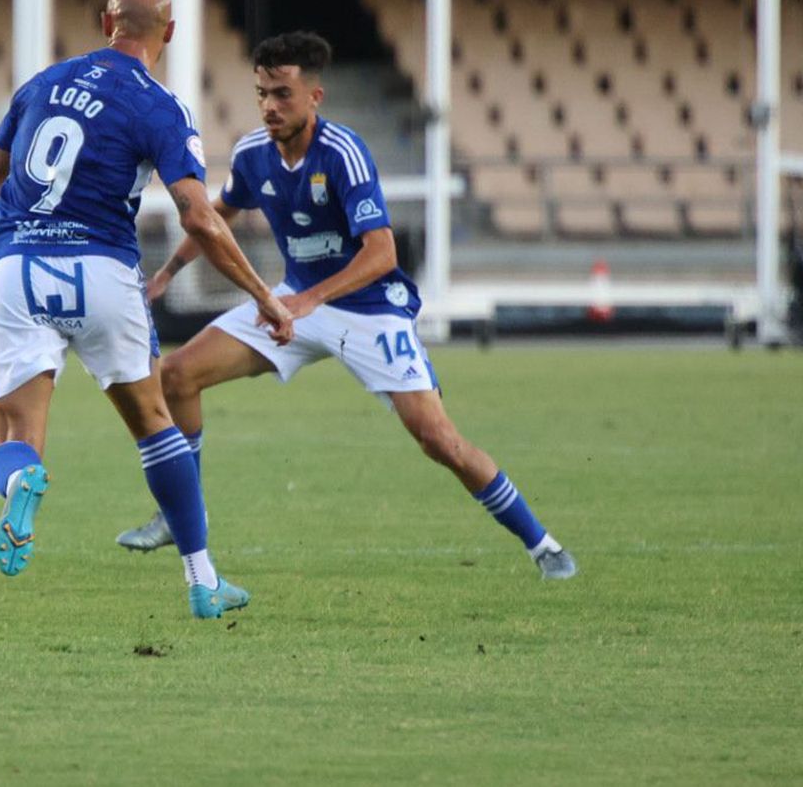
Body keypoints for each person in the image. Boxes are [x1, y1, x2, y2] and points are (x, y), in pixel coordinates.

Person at [114, 31, 578, 581]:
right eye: (262, 93)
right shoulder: (252, 155)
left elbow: (382, 253)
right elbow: (215, 218)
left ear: (315, 97)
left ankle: (543, 545)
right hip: (295, 302)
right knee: (176, 375)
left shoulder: (343, 154)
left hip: (368, 310)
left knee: (438, 440)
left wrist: (307, 301)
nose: (269, 106)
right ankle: (179, 516)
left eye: (282, 94)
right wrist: (166, 274)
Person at [0, 0, 294, 619]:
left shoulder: (42, 84)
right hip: (102, 267)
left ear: (103, 21)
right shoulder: (159, 106)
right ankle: (203, 583)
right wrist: (264, 295)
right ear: (167, 34)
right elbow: (199, 216)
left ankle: (20, 481)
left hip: (19, 263)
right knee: (152, 423)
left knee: (15, 431)